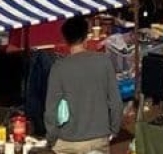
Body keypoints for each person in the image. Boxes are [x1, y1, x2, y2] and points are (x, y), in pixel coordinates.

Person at [44, 17, 122, 154]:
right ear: (86, 36)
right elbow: (116, 103)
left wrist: (51, 138)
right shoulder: (103, 62)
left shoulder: (59, 68)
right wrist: (114, 130)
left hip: (67, 141)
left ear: (66, 39)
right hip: (98, 138)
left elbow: (51, 110)